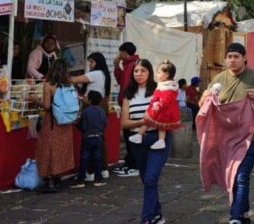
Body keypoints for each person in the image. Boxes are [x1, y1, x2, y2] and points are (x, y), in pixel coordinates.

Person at [199, 43, 254, 224]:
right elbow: (203, 102)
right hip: (227, 140)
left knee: (240, 176)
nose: (232, 60)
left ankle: (235, 217)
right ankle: (244, 211)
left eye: (236, 56)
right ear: (226, 59)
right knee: (237, 177)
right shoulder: (219, 78)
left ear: (244, 58)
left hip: (251, 138)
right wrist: (207, 94)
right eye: (230, 56)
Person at [121, 59, 168, 224]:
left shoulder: (159, 90)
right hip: (137, 141)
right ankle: (157, 213)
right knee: (146, 180)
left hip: (157, 139)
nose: (139, 74)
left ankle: (146, 219)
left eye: (143, 71)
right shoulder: (128, 94)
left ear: (150, 73)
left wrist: (151, 121)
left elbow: (166, 116)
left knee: (150, 178)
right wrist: (144, 121)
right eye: (136, 71)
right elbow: (124, 123)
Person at [31, 61, 75, 193]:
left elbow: (47, 106)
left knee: (48, 148)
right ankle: (57, 177)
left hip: (52, 121)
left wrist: (35, 100)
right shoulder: (69, 84)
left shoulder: (49, 84)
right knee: (61, 148)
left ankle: (49, 180)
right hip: (66, 121)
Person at [70, 52, 113, 181]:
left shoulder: (96, 73)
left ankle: (90, 171)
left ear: (97, 62)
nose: (89, 64)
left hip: (92, 107)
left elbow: (73, 80)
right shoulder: (104, 74)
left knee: (89, 140)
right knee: (99, 139)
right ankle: (103, 169)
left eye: (91, 62)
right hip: (101, 107)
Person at [130, 60, 182, 150]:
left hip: (162, 109)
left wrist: (159, 104)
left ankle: (141, 135)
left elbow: (166, 99)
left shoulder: (169, 87)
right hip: (160, 107)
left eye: (159, 72)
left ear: (167, 75)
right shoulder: (165, 84)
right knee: (158, 125)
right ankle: (154, 139)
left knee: (149, 121)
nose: (157, 75)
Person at [113, 42, 140, 178]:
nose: (119, 56)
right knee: (128, 134)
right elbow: (120, 80)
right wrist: (116, 66)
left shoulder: (134, 65)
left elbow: (126, 86)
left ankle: (133, 165)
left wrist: (125, 103)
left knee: (130, 135)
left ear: (124, 52)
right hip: (128, 104)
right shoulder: (129, 65)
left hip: (129, 105)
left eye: (120, 53)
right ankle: (130, 162)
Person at [72, 91, 108, 188]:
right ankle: (98, 179)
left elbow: (83, 126)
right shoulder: (102, 111)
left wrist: (76, 124)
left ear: (90, 100)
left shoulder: (85, 111)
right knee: (98, 158)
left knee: (84, 158)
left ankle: (80, 180)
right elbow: (105, 123)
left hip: (87, 137)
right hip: (99, 136)